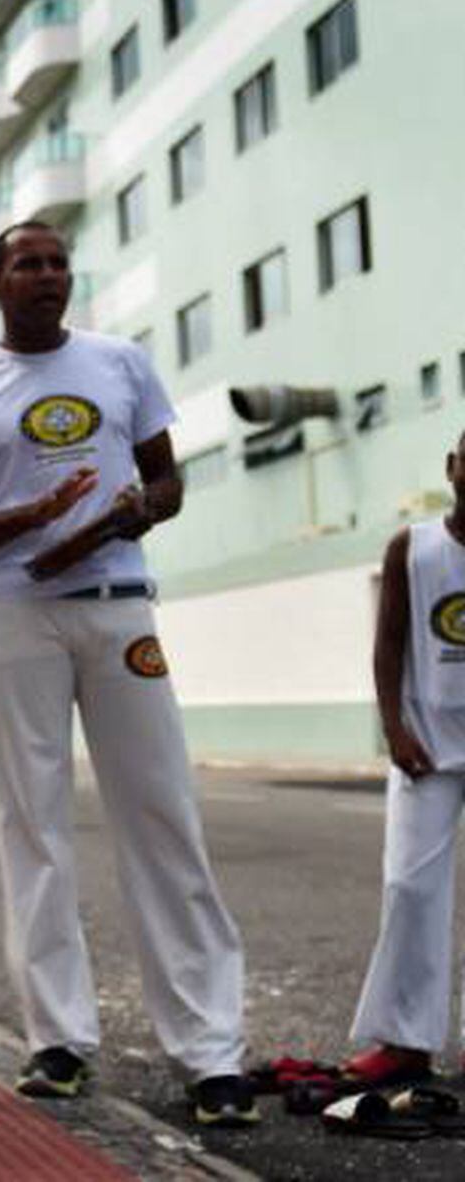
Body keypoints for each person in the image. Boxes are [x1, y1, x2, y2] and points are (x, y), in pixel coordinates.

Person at [0, 220, 256, 1126]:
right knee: (33, 829)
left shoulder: (121, 363)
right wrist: (38, 515)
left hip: (120, 606)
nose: (47, 275)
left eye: (58, 262)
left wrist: (131, 514)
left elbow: (167, 481)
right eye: (27, 263)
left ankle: (210, 1053)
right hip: (18, 616)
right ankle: (58, 1042)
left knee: (162, 816)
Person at [343, 426, 465, 1088]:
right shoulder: (413, 548)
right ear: (452, 466)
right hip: (425, 745)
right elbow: (388, 644)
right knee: (411, 887)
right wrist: (394, 729)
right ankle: (406, 1041)